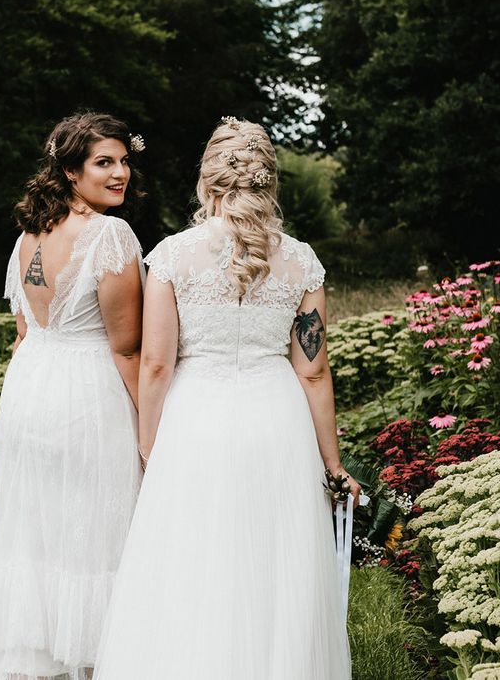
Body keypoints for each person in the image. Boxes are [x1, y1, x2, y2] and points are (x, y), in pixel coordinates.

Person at [94, 117, 358, 680]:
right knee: (276, 572)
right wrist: (332, 463)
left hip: (196, 423)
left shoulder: (171, 256)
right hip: (277, 422)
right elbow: (312, 372)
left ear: (206, 182)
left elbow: (158, 363)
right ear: (269, 183)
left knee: (193, 566)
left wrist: (148, 446)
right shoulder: (301, 259)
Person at [0, 112, 146, 680]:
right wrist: (153, 433)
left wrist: (7, 419)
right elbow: (127, 349)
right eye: (104, 162)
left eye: (124, 160)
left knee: (40, 539)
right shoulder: (110, 236)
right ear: (70, 171)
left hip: (31, 392)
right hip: (88, 399)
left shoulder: (26, 237)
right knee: (92, 539)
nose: (121, 173)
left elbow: (23, 334)